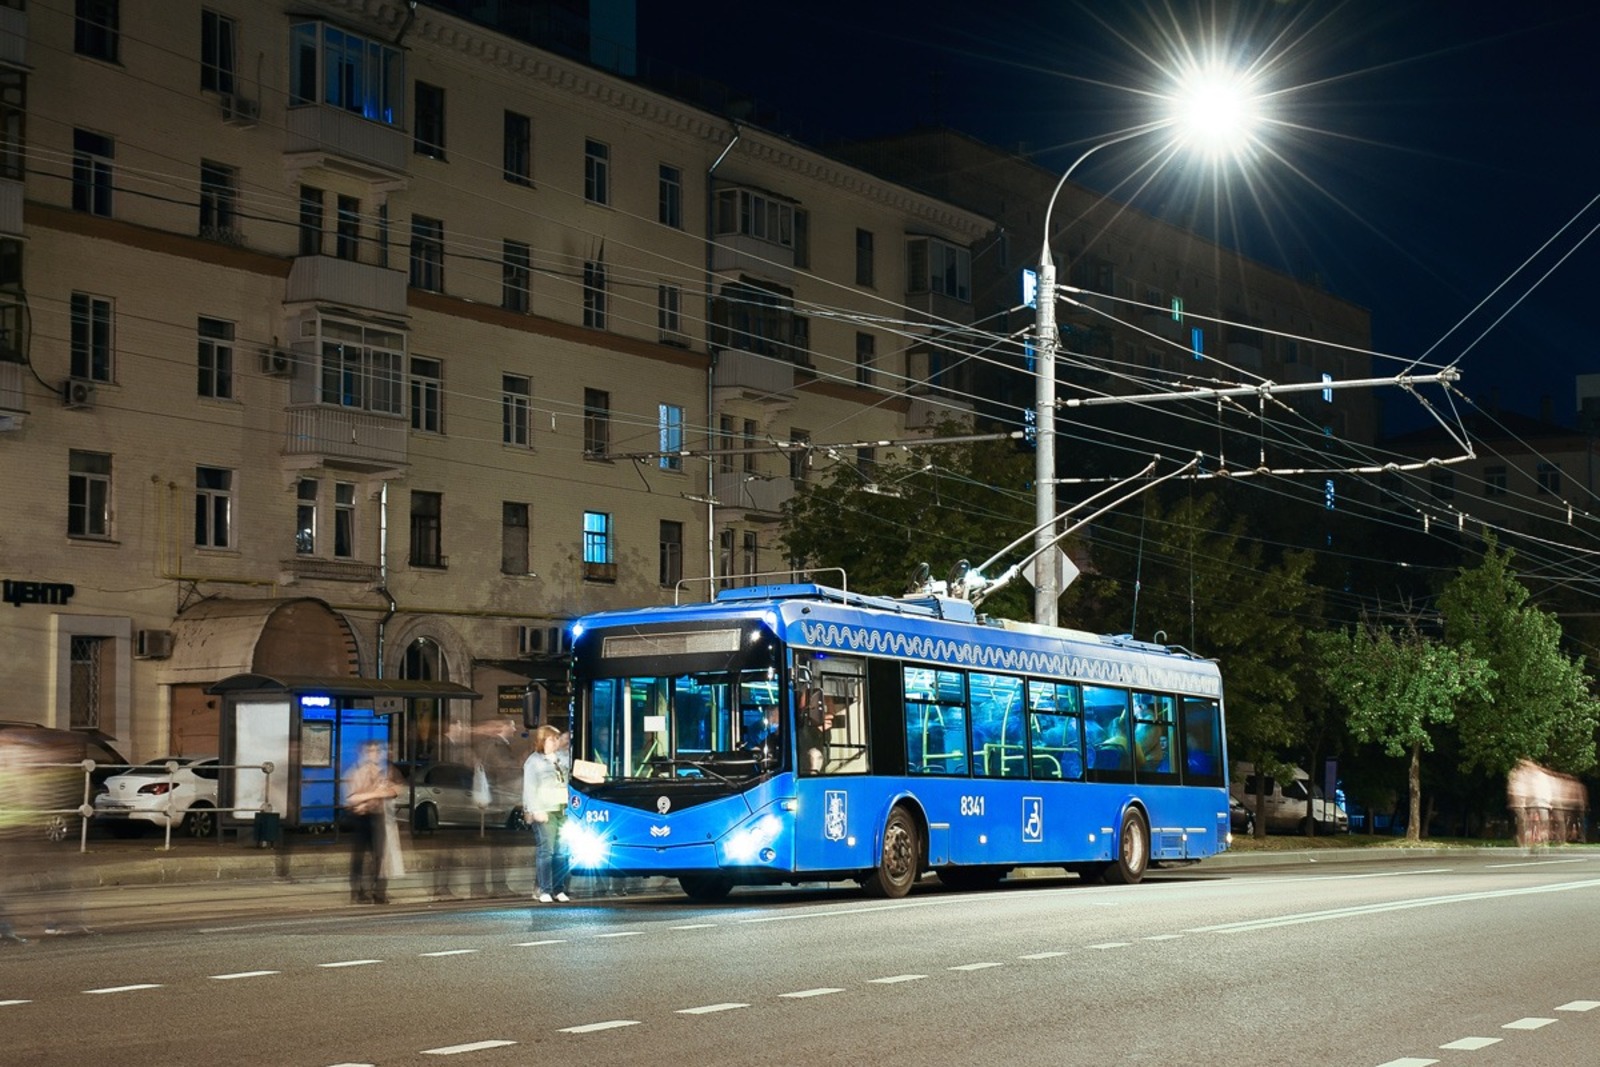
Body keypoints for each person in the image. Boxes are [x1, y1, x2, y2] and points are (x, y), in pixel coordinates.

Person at [343, 740, 400, 904]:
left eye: (377, 751)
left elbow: (395, 790)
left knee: (380, 856)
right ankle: (358, 891)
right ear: (363, 754)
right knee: (359, 856)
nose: (376, 754)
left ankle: (379, 891)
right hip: (362, 819)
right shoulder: (356, 772)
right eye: (371, 751)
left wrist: (374, 795)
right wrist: (375, 794)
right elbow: (352, 798)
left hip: (378, 816)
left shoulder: (385, 771)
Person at [522, 725, 571, 903]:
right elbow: (529, 787)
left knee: (561, 852)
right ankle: (545, 889)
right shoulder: (534, 761)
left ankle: (559, 889)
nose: (556, 742)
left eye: (557, 739)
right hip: (545, 810)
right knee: (546, 852)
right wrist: (535, 810)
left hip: (562, 809)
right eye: (552, 739)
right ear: (543, 740)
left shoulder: (562, 759)